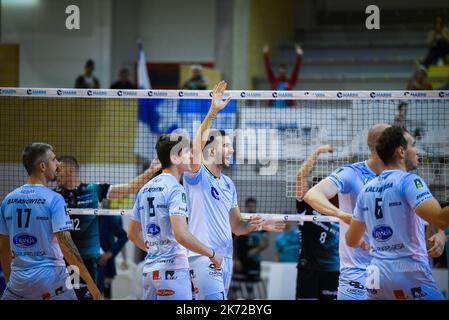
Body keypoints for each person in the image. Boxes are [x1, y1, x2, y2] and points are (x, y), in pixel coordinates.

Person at [184, 80, 285, 300]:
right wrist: (212, 112)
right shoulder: (197, 175)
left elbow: (237, 226)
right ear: (210, 151)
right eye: (226, 145)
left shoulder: (228, 184)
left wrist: (259, 225)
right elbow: (194, 151)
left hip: (226, 258)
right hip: (203, 257)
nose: (231, 150)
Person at [346, 126, 449, 300]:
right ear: (401, 151)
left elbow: (351, 239)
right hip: (409, 271)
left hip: (375, 274)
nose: (417, 151)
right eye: (413, 145)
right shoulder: (409, 181)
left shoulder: (366, 189)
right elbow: (440, 220)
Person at [127, 133, 223, 300]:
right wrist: (212, 254)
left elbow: (132, 234)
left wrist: (157, 250)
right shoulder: (175, 189)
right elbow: (181, 235)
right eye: (187, 152)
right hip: (172, 273)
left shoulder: (144, 189)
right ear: (176, 157)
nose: (191, 155)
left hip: (149, 272)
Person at [0, 143, 101, 300]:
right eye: (54, 160)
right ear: (42, 166)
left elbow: (3, 248)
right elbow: (67, 246)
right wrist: (90, 283)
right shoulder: (55, 199)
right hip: (51, 279)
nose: (58, 164)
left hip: (18, 281)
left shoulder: (8, 200)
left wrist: (10, 283)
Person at [304, 124, 391, 300]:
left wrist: (438, 232)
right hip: (357, 271)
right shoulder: (351, 173)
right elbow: (312, 195)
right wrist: (342, 215)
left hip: (391, 268)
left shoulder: (399, 177)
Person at [55, 155, 161, 300]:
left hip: (90, 262)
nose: (55, 173)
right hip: (62, 261)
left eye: (59, 169)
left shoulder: (93, 189)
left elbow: (130, 188)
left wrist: (150, 171)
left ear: (70, 170)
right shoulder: (54, 196)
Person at [295, 145, 340, 300]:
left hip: (333, 270)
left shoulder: (338, 212)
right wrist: (318, 152)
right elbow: (301, 175)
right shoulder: (305, 205)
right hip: (309, 268)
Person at [230, 198, 269, 300]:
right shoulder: (242, 220)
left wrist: (256, 250)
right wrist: (236, 259)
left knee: (251, 291)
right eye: (250, 206)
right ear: (247, 207)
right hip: (241, 260)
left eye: (253, 206)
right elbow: (234, 242)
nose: (252, 208)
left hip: (254, 261)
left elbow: (265, 243)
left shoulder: (260, 221)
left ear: (256, 206)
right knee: (235, 290)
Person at [97, 199, 128, 299]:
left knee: (106, 288)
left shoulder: (115, 217)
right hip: (93, 257)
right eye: (103, 199)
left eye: (107, 199)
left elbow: (123, 237)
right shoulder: (92, 216)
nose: (105, 202)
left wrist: (124, 259)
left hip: (107, 257)